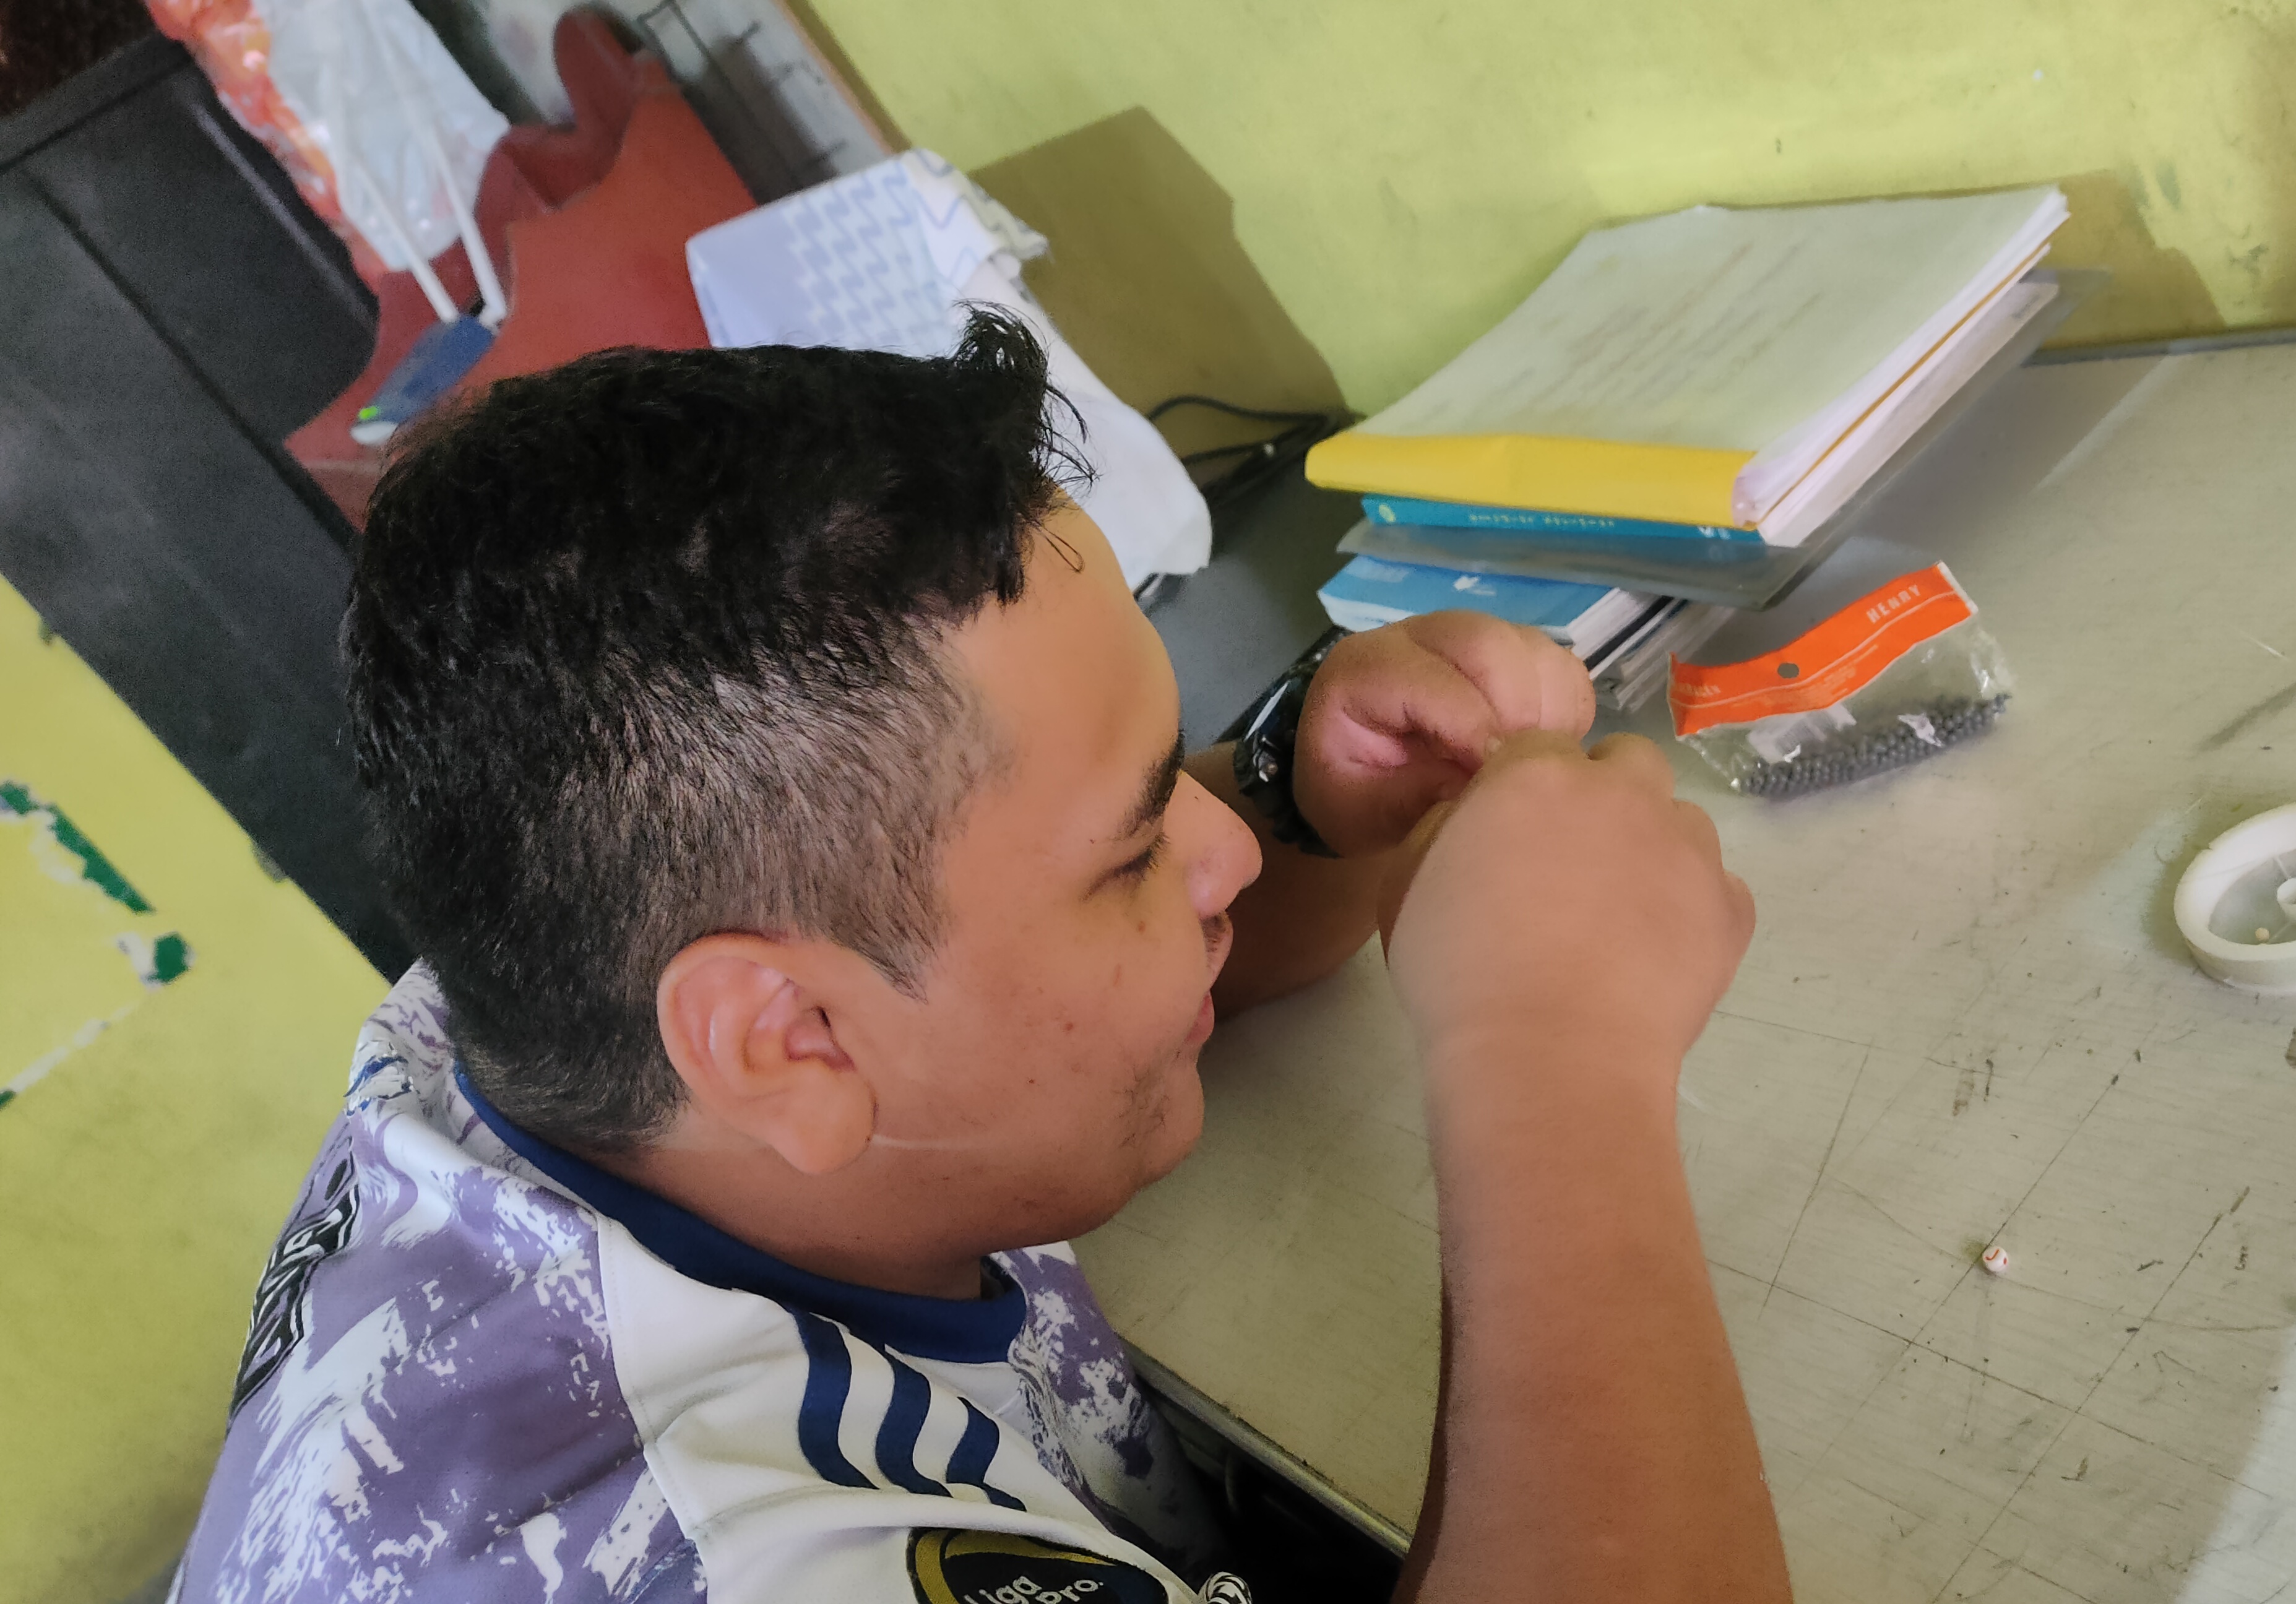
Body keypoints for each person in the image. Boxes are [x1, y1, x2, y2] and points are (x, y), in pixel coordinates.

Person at [175, 313, 1787, 1603]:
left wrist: (1300, 788)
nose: (1219, 852)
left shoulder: (547, 1002)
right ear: (791, 1039)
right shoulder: (702, 1565)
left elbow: (1000, 953)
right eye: (1137, 850)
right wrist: (1552, 1054)